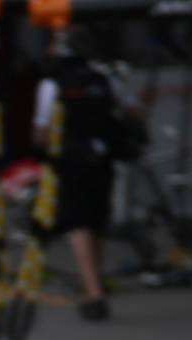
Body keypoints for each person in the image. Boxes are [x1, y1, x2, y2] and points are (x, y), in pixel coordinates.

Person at [33, 27, 141, 322]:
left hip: (70, 161)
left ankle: (93, 291)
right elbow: (133, 112)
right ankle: (94, 282)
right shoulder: (104, 77)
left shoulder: (53, 83)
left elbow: (41, 132)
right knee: (96, 222)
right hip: (102, 157)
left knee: (77, 224)